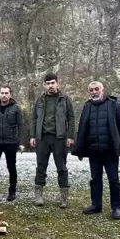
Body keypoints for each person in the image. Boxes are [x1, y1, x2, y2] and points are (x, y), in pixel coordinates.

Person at [71, 81, 120, 220]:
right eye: (91, 90)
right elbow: (82, 129)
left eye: (96, 89)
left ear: (102, 90)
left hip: (110, 150)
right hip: (93, 150)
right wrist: (79, 150)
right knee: (95, 179)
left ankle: (116, 207)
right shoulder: (87, 106)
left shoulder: (114, 105)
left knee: (113, 179)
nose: (94, 92)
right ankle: (96, 205)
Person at [30, 73, 75, 208]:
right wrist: (33, 136)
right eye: (48, 83)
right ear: (44, 85)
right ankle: (39, 196)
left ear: (57, 84)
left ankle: (63, 198)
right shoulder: (39, 100)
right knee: (41, 167)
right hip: (42, 138)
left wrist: (71, 136)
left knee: (61, 168)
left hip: (59, 138)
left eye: (53, 83)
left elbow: (71, 118)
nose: (50, 85)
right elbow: (34, 119)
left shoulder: (65, 99)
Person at [0, 85, 25, 201]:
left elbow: (21, 125)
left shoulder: (16, 108)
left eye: (6, 93)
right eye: (2, 93)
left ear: (10, 94)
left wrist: (21, 142)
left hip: (11, 142)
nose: (4, 95)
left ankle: (12, 192)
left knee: (11, 167)